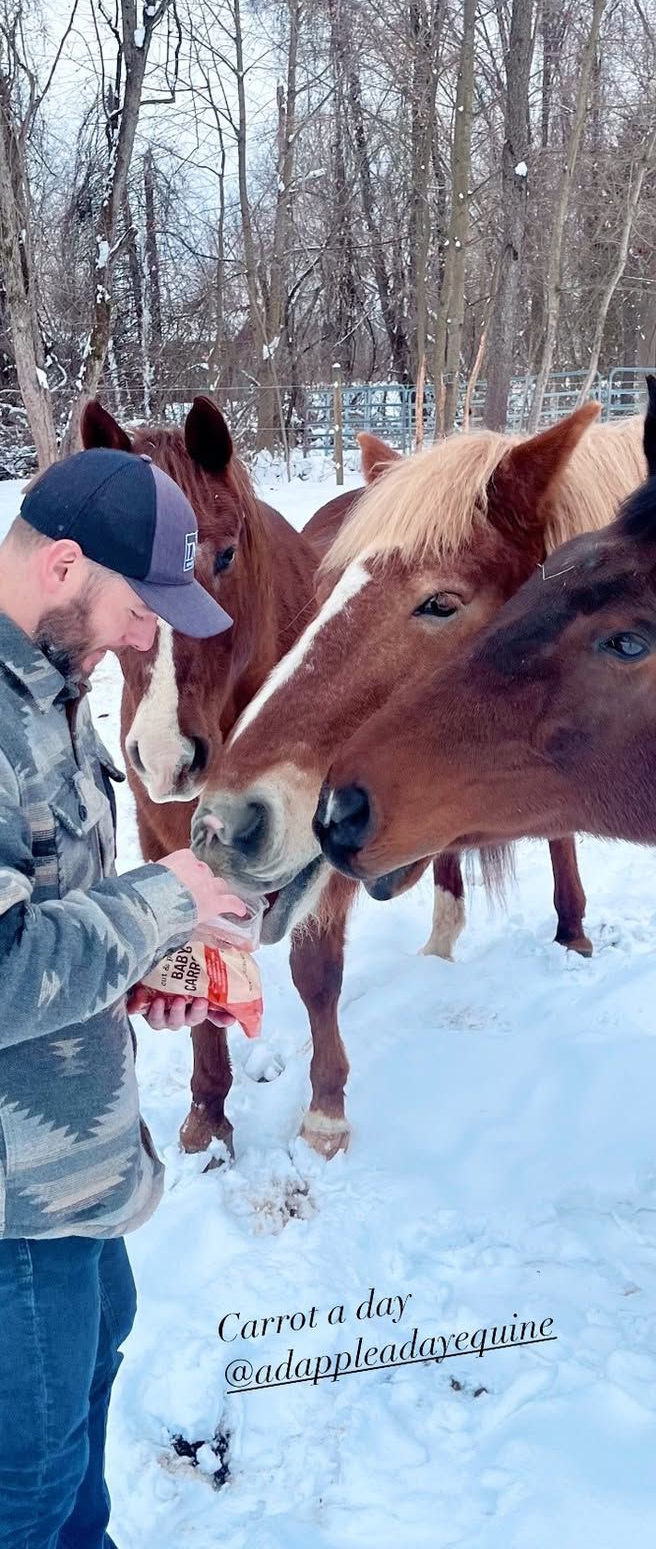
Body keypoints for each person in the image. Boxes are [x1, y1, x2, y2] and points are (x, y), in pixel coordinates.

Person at [0, 447, 252, 1549]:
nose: (149, 638)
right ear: (63, 563)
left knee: (88, 1384)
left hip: (73, 1172)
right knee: (26, 1481)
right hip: (13, 1210)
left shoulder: (49, 691)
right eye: (138, 608)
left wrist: (134, 975)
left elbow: (49, 909)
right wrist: (162, 901)